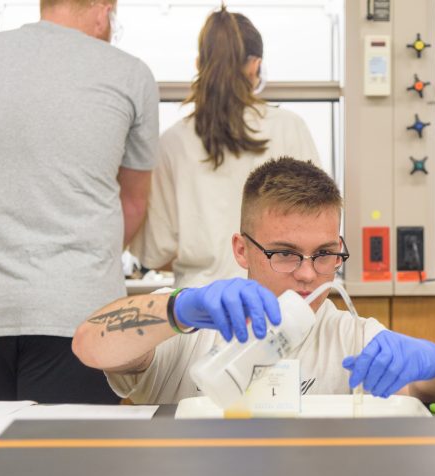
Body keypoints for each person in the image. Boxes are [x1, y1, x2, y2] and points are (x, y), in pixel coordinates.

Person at [73, 157, 435, 405]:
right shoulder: (188, 330)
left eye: (324, 254)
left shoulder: (351, 337)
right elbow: (89, 345)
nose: (307, 273)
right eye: (284, 253)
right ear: (242, 249)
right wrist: (179, 308)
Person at [0, 0, 159, 403]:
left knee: (11, 453)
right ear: (102, 9)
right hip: (82, 312)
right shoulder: (128, 73)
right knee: (72, 461)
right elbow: (134, 203)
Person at [129, 7, 321, 289]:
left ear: (199, 65)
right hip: (275, 303)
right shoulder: (290, 128)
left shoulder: (173, 141)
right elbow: (317, 230)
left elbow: (154, 251)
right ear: (255, 65)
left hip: (201, 308)